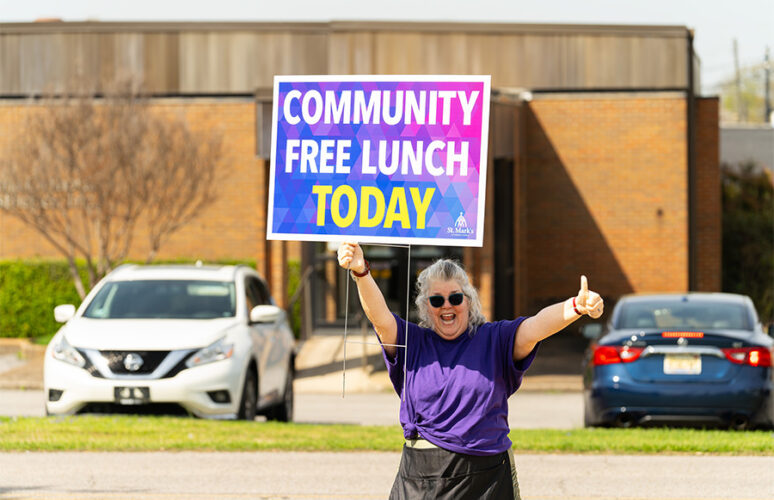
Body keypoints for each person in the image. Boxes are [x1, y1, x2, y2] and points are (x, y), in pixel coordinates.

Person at [337, 241, 604, 500]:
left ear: (469, 301)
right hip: (422, 479)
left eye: (455, 297)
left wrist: (576, 307)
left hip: (488, 479)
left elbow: (536, 327)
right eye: (436, 300)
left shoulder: (495, 339)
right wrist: (361, 272)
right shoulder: (412, 341)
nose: (447, 305)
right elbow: (380, 319)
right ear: (426, 307)